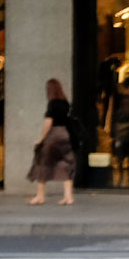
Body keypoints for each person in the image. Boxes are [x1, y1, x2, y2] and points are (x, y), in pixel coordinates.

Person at [26, 78, 76, 206]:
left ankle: (40, 196)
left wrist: (41, 139)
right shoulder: (65, 103)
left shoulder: (52, 104)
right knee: (66, 163)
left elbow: (48, 123)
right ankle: (68, 196)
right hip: (65, 134)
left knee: (42, 162)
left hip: (53, 134)